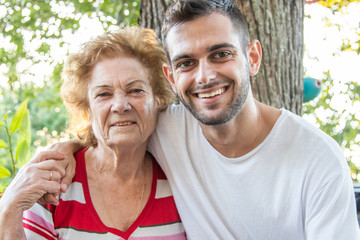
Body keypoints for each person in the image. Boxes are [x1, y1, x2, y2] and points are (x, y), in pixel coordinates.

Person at [32, 0, 360, 239]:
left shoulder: (318, 160)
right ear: (171, 77)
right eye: (187, 62)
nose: (205, 76)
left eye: (220, 54)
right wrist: (64, 152)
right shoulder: (167, 127)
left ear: (253, 58)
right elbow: (112, 127)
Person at [0, 26, 186, 240]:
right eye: (104, 94)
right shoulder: (55, 185)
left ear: (158, 100)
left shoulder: (179, 182)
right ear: (86, 109)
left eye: (135, 90)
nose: (120, 105)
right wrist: (8, 208)